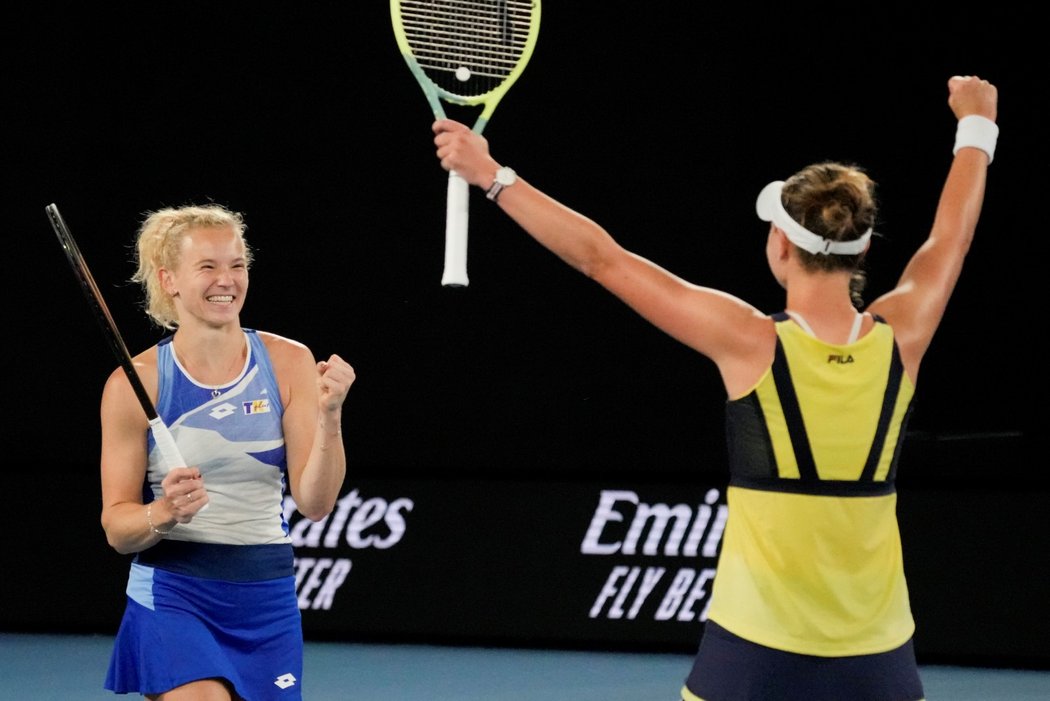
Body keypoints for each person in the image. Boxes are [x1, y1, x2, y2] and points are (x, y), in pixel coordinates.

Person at [431, 74, 998, 701]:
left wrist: (494, 177)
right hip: (879, 662)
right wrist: (977, 123)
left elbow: (603, 259)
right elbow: (952, 238)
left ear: (780, 244)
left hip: (752, 658)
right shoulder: (905, 335)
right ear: (860, 252)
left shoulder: (749, 341)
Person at [99, 203, 355, 700]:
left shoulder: (288, 362)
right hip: (175, 592)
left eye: (237, 265)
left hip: (266, 595)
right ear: (169, 279)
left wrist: (330, 418)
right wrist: (164, 511)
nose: (227, 280)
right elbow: (117, 530)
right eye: (208, 266)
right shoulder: (136, 383)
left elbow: (316, 503)